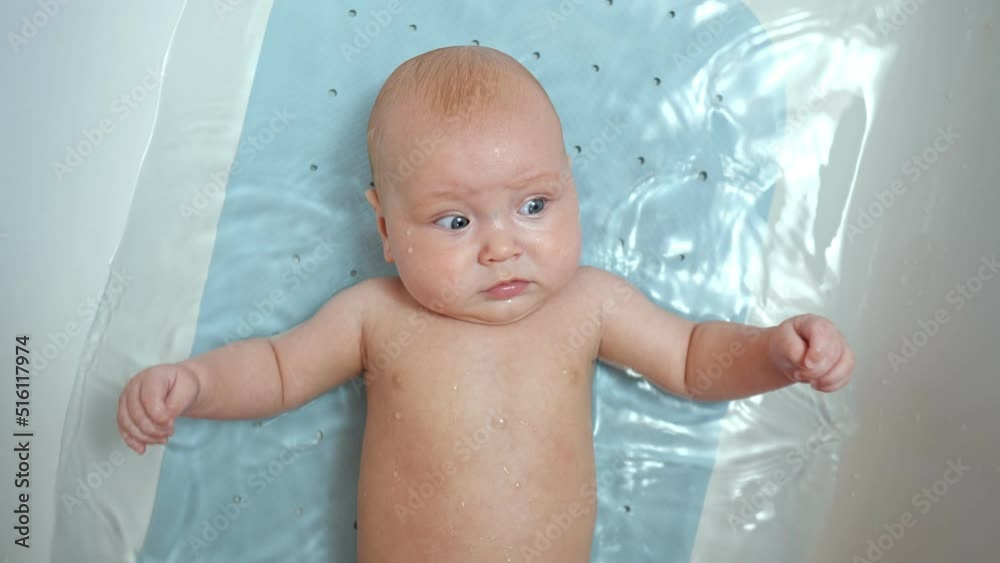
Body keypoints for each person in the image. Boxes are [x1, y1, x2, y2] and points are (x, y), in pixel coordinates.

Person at [117, 45, 854, 562]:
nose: (501, 246)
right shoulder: (377, 315)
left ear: (571, 188)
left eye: (534, 204)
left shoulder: (589, 304)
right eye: (457, 221)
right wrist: (198, 384)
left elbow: (693, 361)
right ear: (385, 229)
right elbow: (278, 370)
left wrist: (772, 352)